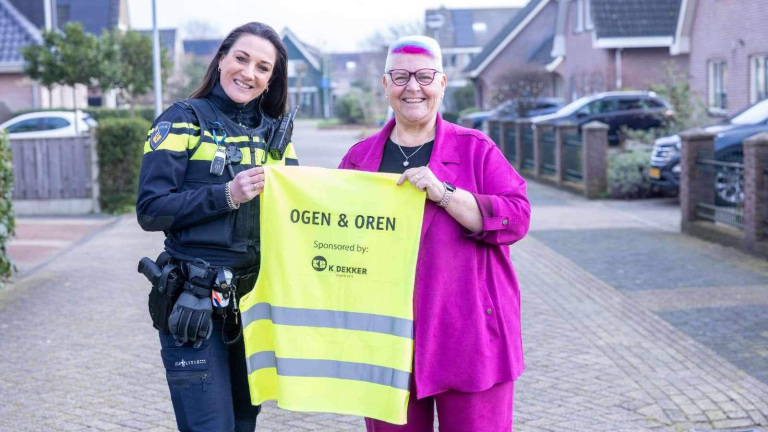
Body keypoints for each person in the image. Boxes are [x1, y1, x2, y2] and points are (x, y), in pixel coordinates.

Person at [338, 35, 530, 431]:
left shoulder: (477, 149)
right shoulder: (359, 160)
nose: (413, 87)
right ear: (385, 84)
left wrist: (443, 194)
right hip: (388, 339)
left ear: (442, 84)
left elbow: (518, 216)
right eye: (401, 76)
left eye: (425, 76)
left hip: (471, 335)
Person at [136, 22, 298, 432]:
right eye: (241, 59)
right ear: (221, 59)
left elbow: (296, 211)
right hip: (194, 304)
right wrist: (227, 194)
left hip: (254, 307)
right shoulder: (181, 121)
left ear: (271, 80)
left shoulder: (276, 136)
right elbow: (150, 210)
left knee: (245, 422)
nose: (249, 73)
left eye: (263, 67)